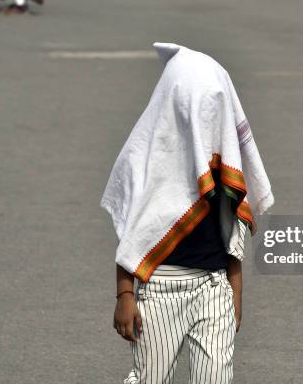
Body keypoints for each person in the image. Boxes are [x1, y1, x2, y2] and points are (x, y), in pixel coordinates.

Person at [101, 42, 274, 384]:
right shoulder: (147, 159)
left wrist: (234, 294)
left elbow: (232, 234)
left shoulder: (223, 164)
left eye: (213, 108)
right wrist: (124, 296)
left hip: (213, 289)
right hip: (159, 292)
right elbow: (132, 235)